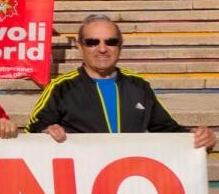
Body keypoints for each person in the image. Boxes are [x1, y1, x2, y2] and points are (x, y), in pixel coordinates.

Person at [26, 14, 216, 149]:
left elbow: (167, 130)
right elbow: (32, 130)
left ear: (120, 46)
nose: (102, 49)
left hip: (128, 185)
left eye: (111, 42)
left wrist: (198, 136)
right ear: (79, 47)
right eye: (92, 42)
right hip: (82, 185)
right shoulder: (61, 87)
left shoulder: (138, 85)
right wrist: (46, 131)